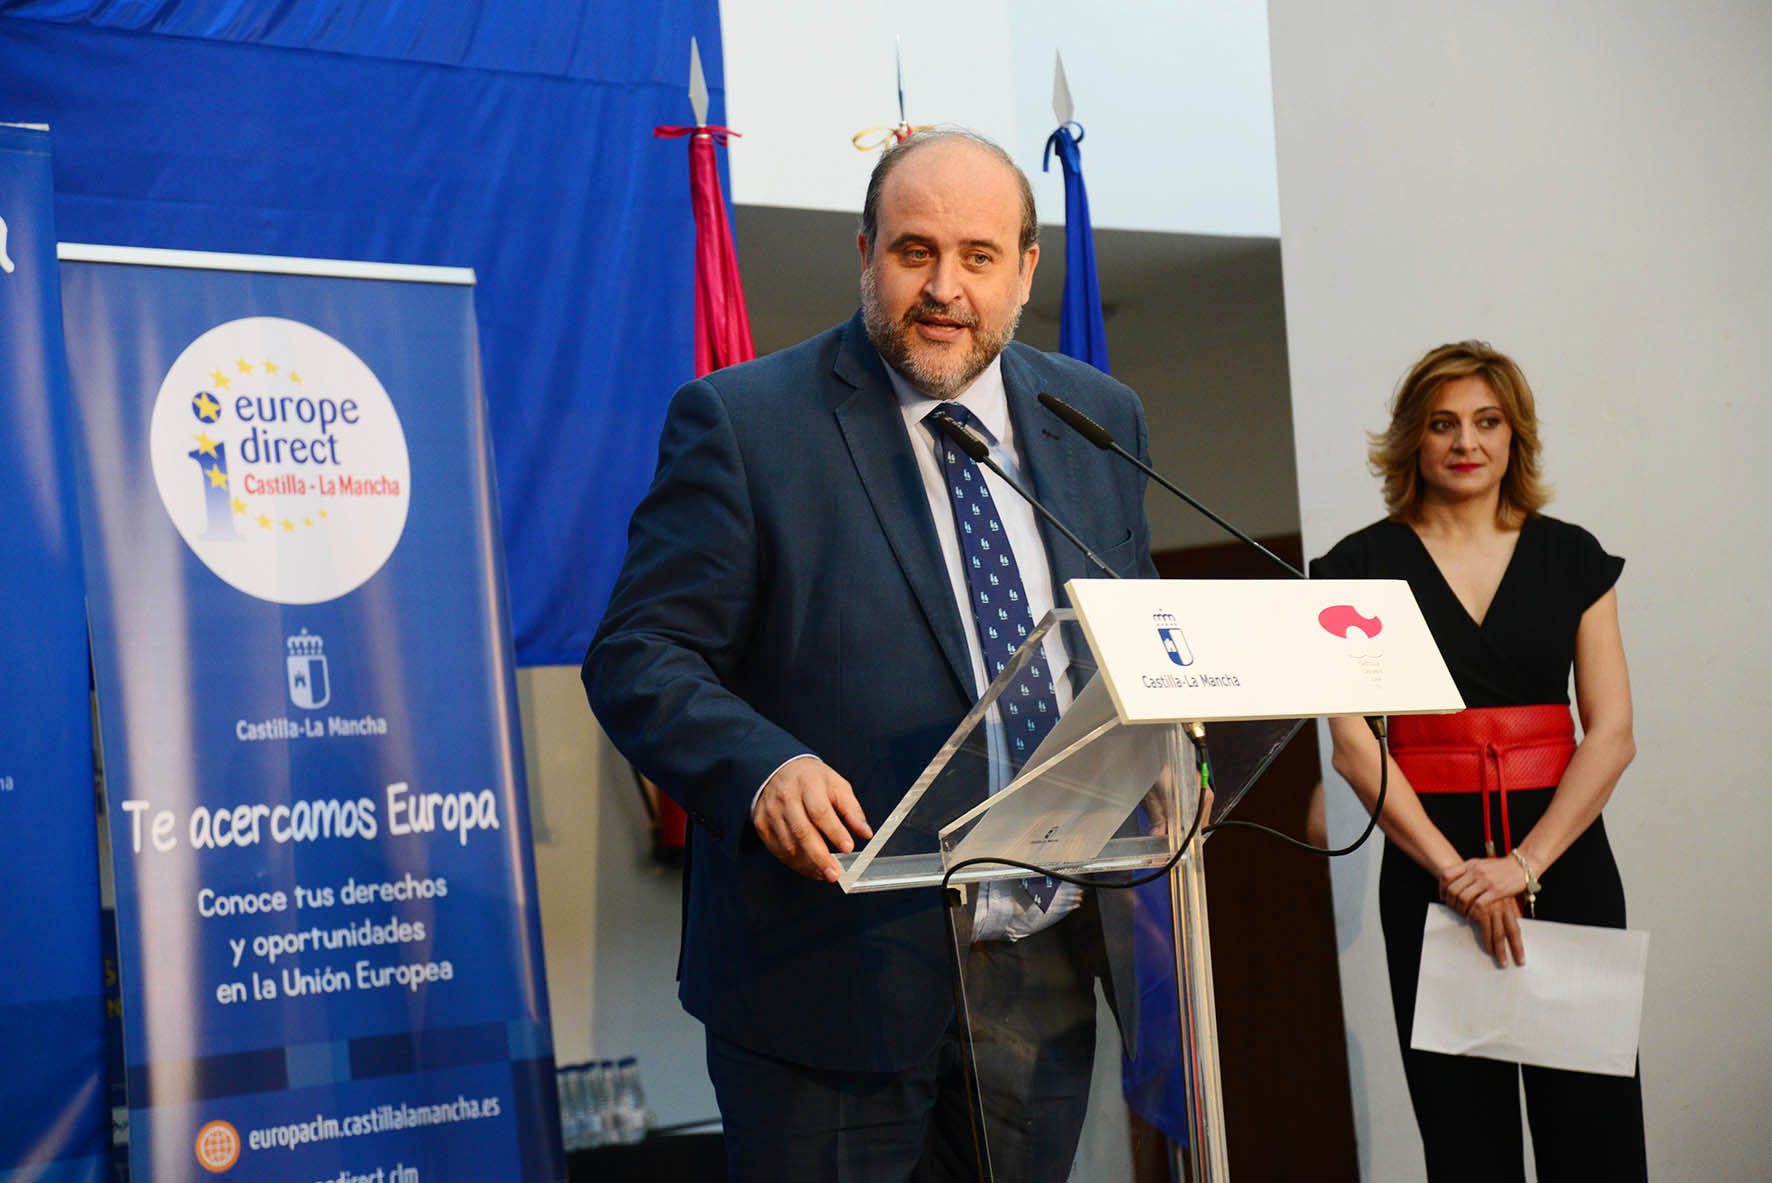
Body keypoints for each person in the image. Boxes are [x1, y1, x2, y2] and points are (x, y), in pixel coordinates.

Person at [583, 129, 1159, 1181]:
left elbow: (1127, 646)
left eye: (978, 256)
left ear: (1025, 270)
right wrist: (762, 764)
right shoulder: (745, 421)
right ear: (864, 253)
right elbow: (638, 652)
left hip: (1042, 963)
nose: (944, 287)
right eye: (913, 251)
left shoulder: (1094, 418)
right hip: (825, 980)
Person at [1311, 341, 1647, 1181]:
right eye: (1444, 423)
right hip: (1431, 879)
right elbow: (1355, 748)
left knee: (1597, 1140)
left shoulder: (1573, 555)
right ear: (1413, 441)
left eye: (1487, 422)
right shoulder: (1357, 565)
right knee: (1466, 1148)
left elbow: (1612, 734)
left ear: (1514, 436)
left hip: (1565, 869)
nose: (1467, 442)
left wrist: (1521, 867)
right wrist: (1462, 874)